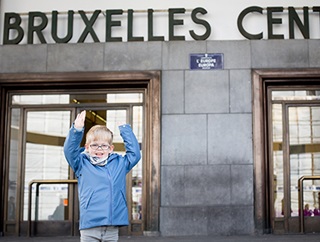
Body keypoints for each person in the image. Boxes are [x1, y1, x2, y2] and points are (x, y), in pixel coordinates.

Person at [64, 110, 141, 242]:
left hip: (111, 226)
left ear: (111, 148)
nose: (99, 149)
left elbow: (135, 154)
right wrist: (76, 130)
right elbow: (69, 151)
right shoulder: (81, 163)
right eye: (94, 145)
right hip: (89, 226)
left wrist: (125, 129)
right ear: (87, 147)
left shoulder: (119, 163)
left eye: (104, 146)